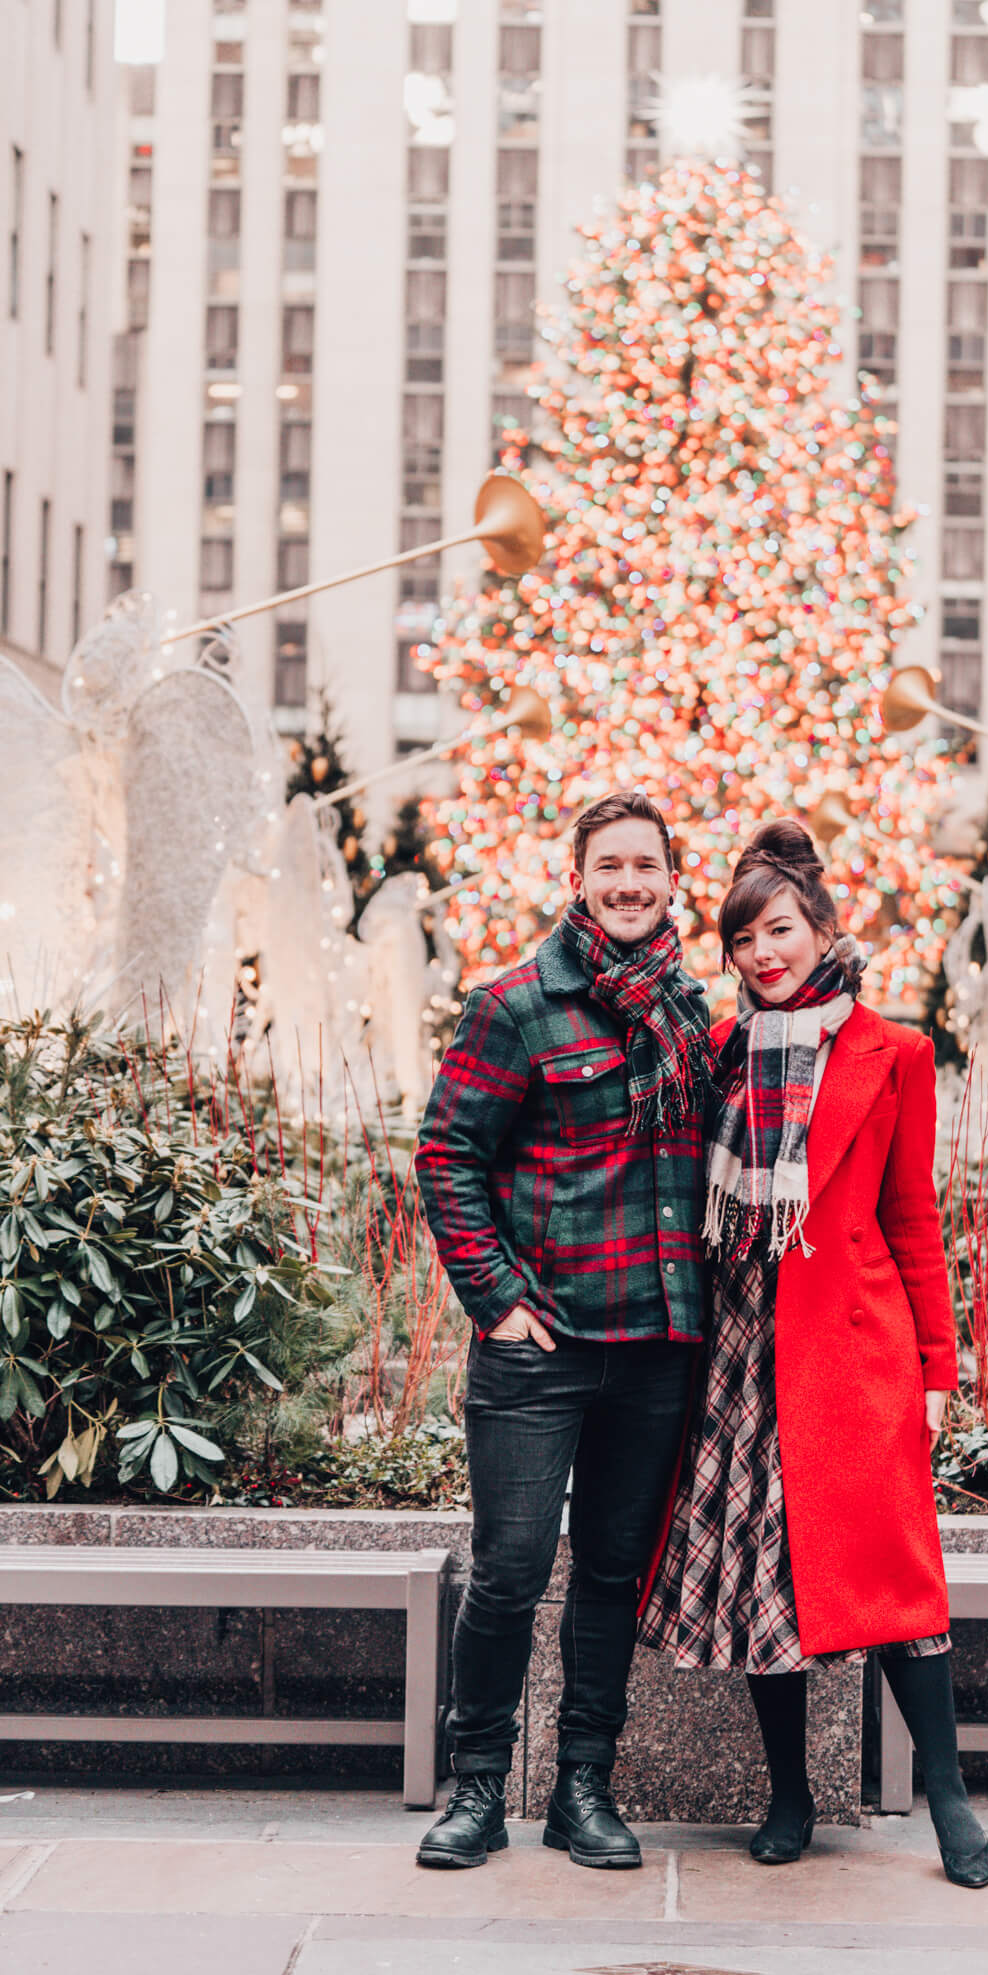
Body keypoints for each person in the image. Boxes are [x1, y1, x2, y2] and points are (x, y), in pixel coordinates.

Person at [640, 818, 988, 1888]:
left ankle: (946, 1794)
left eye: (779, 929)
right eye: (742, 937)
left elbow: (912, 1222)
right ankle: (788, 1791)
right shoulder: (716, 1052)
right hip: (739, 1354)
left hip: (848, 1351)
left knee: (892, 1577)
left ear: (821, 927)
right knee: (761, 1584)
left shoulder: (894, 1054)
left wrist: (936, 1370)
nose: (762, 954)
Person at [413, 791, 713, 1872]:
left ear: (671, 880)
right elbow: (446, 1154)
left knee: (610, 1573)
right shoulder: (516, 1006)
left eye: (647, 866)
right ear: (578, 878)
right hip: (539, 1353)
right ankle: (478, 1788)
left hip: (656, 1350)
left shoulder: (690, 1011)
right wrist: (495, 1301)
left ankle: (583, 1785)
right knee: (507, 1571)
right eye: (609, 866)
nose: (628, 883)